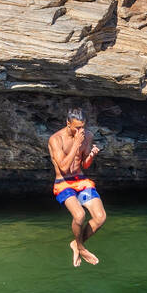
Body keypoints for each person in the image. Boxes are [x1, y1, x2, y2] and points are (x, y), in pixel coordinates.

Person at [47, 108, 107, 267]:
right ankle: (80, 247)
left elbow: (85, 165)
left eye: (83, 127)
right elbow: (64, 168)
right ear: (68, 123)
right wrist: (75, 143)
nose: (81, 131)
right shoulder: (56, 139)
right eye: (77, 127)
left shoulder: (87, 136)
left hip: (80, 179)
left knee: (100, 217)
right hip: (63, 182)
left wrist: (91, 155)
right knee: (79, 215)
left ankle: (75, 243)